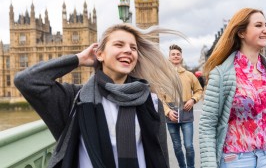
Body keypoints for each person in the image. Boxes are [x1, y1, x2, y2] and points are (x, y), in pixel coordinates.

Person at [14, 24, 182, 168]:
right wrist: (78, 58)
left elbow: (160, 156)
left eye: (133, 48)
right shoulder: (76, 98)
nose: (128, 51)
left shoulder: (150, 101)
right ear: (99, 54)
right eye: (119, 44)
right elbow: (27, 81)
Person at [199, 8, 266, 168]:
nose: (265, 30)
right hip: (235, 159)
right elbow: (207, 125)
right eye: (258, 25)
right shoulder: (222, 74)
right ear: (241, 33)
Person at [162, 44, 203, 168]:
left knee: (189, 145)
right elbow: (159, 96)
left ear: (181, 57)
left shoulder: (189, 75)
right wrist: (167, 111)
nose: (175, 56)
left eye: (178, 54)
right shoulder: (163, 76)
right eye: (173, 54)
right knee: (176, 146)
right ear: (169, 58)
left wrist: (193, 99)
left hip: (187, 114)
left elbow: (199, 90)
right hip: (171, 115)